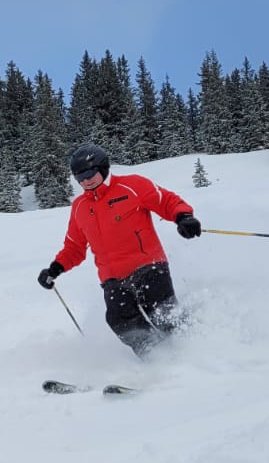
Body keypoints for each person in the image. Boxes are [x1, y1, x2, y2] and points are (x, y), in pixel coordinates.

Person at [37, 143, 201, 357]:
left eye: (89, 174)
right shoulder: (79, 207)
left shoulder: (132, 186)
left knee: (163, 315)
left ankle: (194, 349)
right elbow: (74, 247)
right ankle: (156, 358)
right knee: (120, 322)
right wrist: (54, 269)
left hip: (148, 266)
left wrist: (184, 217)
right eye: (79, 177)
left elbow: (166, 201)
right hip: (112, 279)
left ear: (103, 167)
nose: (86, 181)